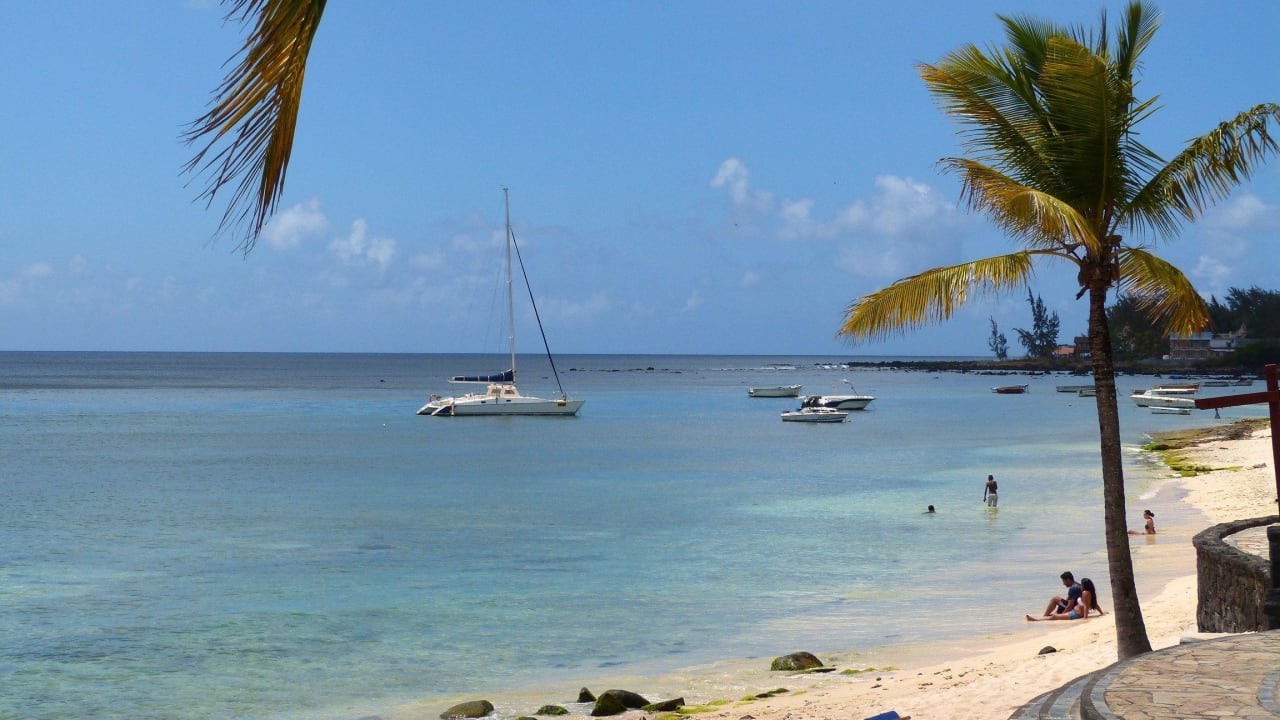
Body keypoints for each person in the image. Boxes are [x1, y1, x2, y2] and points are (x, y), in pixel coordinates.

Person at [1027, 577, 1104, 621]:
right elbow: (1095, 604)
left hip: (1076, 614)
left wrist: (1085, 618)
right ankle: (1038, 619)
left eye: (1082, 584)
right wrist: (1101, 613)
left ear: (1084, 585)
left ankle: (1036, 620)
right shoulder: (1089, 593)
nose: (1080, 585)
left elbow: (1086, 606)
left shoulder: (1085, 593)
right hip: (1075, 612)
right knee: (1054, 616)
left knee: (1055, 617)